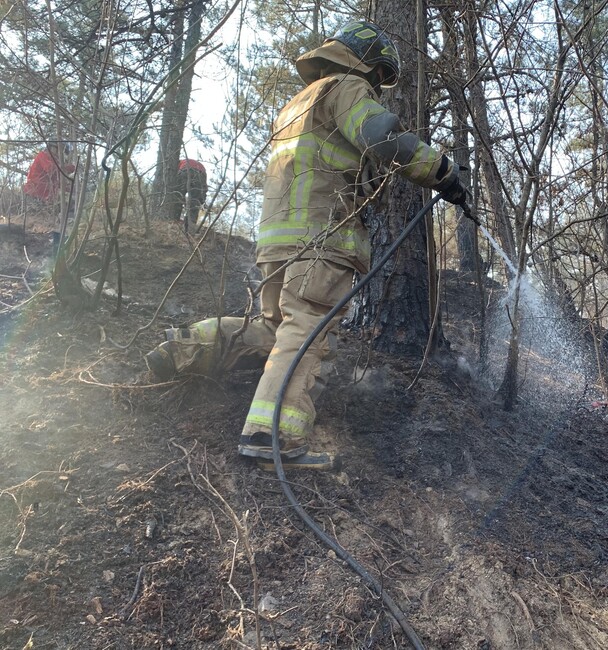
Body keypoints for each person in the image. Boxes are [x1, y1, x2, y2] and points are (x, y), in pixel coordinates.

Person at [144, 20, 468, 470]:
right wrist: (442, 171)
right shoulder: (347, 87)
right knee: (308, 328)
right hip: (320, 238)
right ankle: (272, 435)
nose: (377, 87)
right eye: (378, 75)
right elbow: (380, 137)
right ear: (366, 63)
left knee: (276, 327)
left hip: (277, 239)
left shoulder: (299, 102)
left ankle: (187, 345)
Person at [22, 142, 74, 220]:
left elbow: (58, 182)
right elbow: (50, 169)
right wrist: (66, 168)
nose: (59, 154)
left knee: (72, 201)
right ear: (52, 148)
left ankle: (67, 221)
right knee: (37, 219)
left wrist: (71, 189)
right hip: (35, 193)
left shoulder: (56, 163)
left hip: (47, 196)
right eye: (59, 150)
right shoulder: (43, 155)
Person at [176, 158, 208, 227]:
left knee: (178, 194)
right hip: (201, 173)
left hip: (185, 170)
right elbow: (204, 186)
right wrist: (202, 198)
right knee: (195, 200)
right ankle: (190, 223)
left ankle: (176, 217)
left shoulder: (179, 163)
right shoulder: (198, 165)